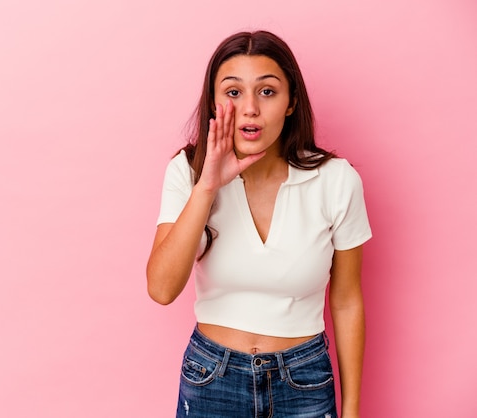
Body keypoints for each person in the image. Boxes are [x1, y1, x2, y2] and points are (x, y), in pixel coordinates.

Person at [146, 30, 372, 418]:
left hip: (304, 380)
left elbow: (348, 300)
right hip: (211, 378)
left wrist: (351, 410)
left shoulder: (336, 180)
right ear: (214, 104)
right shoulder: (187, 172)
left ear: (290, 103)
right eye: (233, 92)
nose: (250, 108)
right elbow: (162, 288)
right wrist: (208, 187)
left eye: (267, 91)